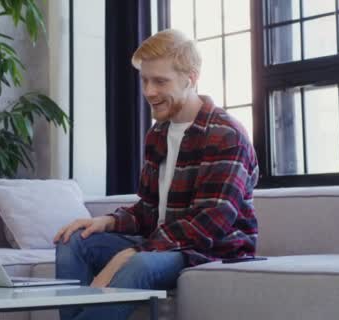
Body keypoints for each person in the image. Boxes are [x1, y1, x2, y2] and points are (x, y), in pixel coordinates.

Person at [53, 28, 259, 320]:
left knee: (138, 266)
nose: (149, 91)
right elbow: (148, 210)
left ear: (191, 78)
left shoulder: (226, 134)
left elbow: (210, 224)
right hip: (163, 243)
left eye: (160, 81)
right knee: (74, 240)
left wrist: (134, 254)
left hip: (211, 250)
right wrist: (107, 221)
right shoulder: (158, 133)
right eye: (145, 80)